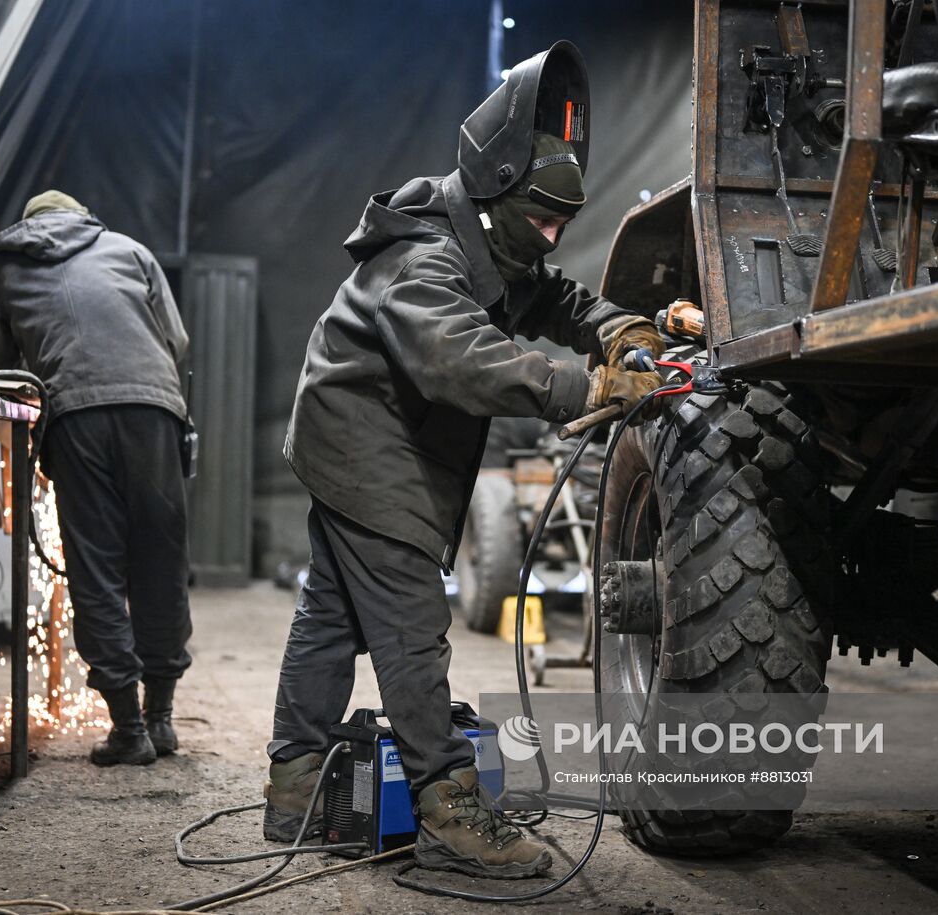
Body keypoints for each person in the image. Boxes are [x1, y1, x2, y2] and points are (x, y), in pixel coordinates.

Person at [266, 42, 665, 878]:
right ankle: (447, 803)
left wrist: (615, 327)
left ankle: (294, 789)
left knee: (331, 613)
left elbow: (549, 293)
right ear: (499, 202)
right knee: (411, 629)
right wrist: (583, 383)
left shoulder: (491, 241)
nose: (553, 237)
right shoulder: (425, 257)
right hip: (365, 440)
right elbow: (464, 358)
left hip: (354, 429)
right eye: (546, 222)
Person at [0, 190, 193, 767]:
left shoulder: (5, 267)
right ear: (81, 218)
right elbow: (176, 343)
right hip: (155, 410)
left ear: (30, 226)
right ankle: (161, 719)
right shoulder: (129, 250)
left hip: (73, 416)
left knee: (96, 567)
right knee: (160, 558)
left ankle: (129, 729)